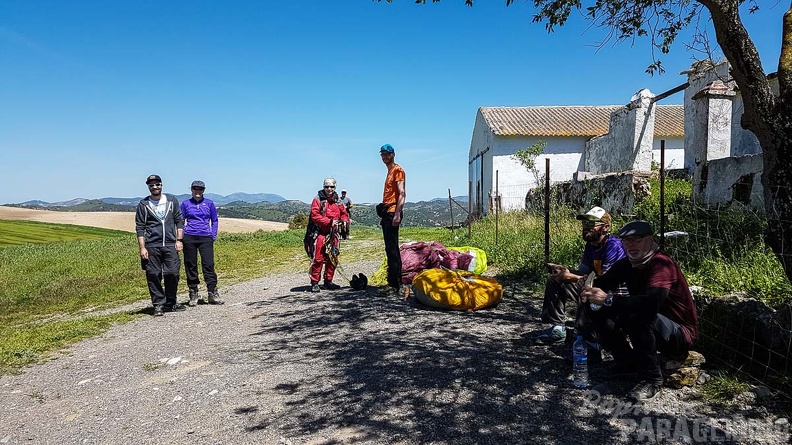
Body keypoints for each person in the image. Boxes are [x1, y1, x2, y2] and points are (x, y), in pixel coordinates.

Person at [582, 220, 699, 402]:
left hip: (679, 333)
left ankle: (652, 380)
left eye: (636, 240)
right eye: (626, 241)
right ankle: (626, 363)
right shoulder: (627, 264)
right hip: (649, 323)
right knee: (595, 307)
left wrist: (608, 299)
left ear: (650, 239)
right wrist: (584, 285)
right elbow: (602, 283)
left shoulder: (661, 264)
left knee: (638, 315)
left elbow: (650, 303)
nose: (630, 245)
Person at [534, 206, 626, 345]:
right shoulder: (591, 245)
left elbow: (606, 282)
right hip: (596, 285)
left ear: (605, 227)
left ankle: (590, 340)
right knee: (555, 279)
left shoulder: (614, 246)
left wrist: (570, 276)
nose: (585, 227)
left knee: (586, 289)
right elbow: (584, 272)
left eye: (591, 224)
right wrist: (565, 271)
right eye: (584, 223)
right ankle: (557, 329)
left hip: (614, 295)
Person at [135, 174, 186, 316]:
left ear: (161, 185)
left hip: (170, 244)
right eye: (151, 185)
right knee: (153, 275)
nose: (155, 187)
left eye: (157, 184)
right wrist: (142, 247)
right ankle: (158, 304)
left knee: (172, 273)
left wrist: (179, 240)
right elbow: (140, 227)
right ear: (148, 187)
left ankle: (171, 302)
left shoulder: (171, 200)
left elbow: (179, 221)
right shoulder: (143, 204)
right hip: (152, 245)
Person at [180, 180, 223, 306]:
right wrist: (181, 237)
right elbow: (181, 221)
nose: (198, 191)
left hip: (205, 237)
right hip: (189, 237)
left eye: (200, 189)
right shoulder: (185, 204)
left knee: (208, 265)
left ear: (203, 190)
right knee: (190, 265)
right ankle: (193, 292)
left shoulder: (209, 203)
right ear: (191, 190)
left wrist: (213, 235)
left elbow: (214, 220)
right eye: (195, 189)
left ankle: (212, 292)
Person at [308, 177, 350, 293]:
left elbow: (344, 213)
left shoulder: (338, 201)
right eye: (327, 186)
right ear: (323, 187)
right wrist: (329, 222)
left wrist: (344, 221)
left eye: (331, 187)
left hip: (334, 234)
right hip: (321, 233)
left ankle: (328, 281)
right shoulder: (318, 199)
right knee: (318, 259)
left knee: (333, 257)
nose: (329, 189)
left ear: (335, 187)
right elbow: (315, 216)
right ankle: (315, 282)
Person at [378, 143, 406, 294]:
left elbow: (402, 193)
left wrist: (397, 214)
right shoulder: (389, 171)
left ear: (393, 154)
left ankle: (396, 284)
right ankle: (392, 282)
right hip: (387, 211)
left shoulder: (398, 171)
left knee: (393, 248)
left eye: (387, 154)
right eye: (382, 154)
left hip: (393, 212)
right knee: (389, 248)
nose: (384, 157)